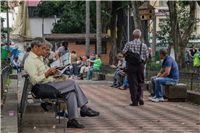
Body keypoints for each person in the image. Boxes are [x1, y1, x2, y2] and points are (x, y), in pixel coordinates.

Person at [24, 39, 99, 128]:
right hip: (44, 87)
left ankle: (72, 120)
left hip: (49, 84)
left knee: (71, 93)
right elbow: (34, 81)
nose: (44, 51)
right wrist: (47, 73)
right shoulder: (31, 61)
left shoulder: (38, 58)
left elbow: (43, 73)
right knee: (73, 83)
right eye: (43, 48)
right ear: (35, 47)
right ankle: (84, 108)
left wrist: (54, 71)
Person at [122, 29, 148, 106]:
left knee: (133, 83)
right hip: (140, 64)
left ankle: (135, 101)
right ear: (140, 36)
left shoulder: (128, 44)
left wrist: (127, 57)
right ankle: (140, 96)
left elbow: (123, 52)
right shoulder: (144, 45)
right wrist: (143, 64)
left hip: (131, 65)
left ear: (133, 36)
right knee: (141, 81)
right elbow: (146, 57)